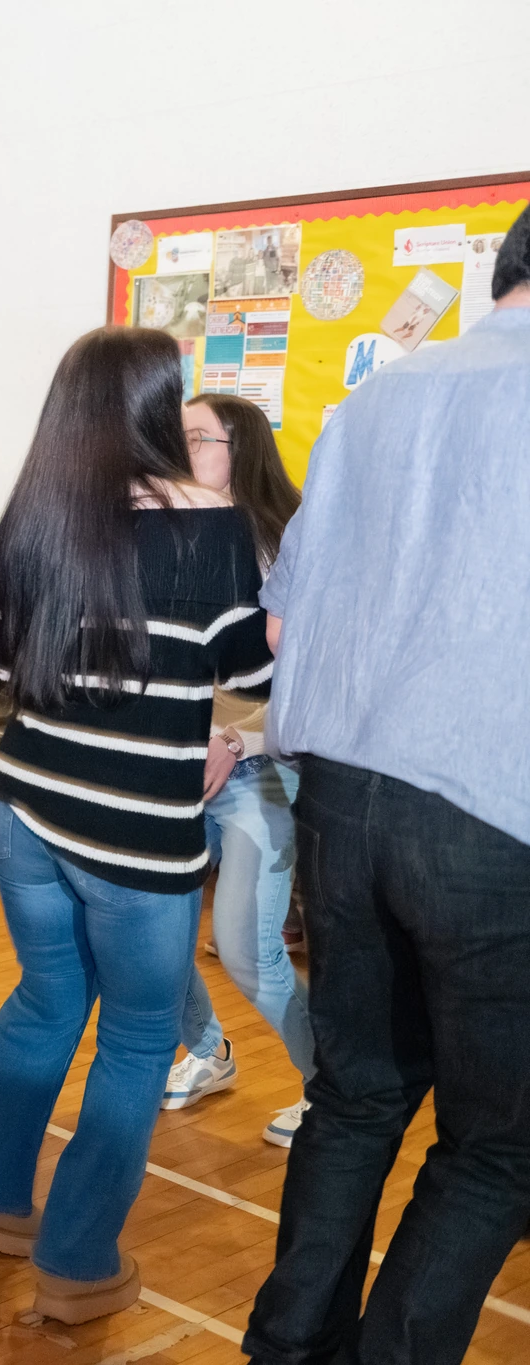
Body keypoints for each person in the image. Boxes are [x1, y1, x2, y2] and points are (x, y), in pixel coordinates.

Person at [0, 327, 271, 1325]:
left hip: (25, 806)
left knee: (44, 999)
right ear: (155, 405)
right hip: (135, 839)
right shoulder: (208, 524)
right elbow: (249, 675)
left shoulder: (36, 514)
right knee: (138, 1036)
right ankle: (75, 1262)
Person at [243, 207, 530, 1365]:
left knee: (354, 1100)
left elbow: (285, 610)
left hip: (339, 794)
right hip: (486, 808)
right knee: (496, 1147)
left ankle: (284, 1348)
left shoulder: (380, 396)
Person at [160, 393, 315, 1147]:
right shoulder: (168, 532)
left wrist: (237, 741)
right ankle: (205, 1049)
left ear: (240, 447)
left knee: (250, 952)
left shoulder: (281, 544)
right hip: (172, 768)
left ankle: (332, 1093)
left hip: (259, 771)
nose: (181, 449)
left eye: (198, 437)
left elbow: (305, 677)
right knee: (154, 936)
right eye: (176, 436)